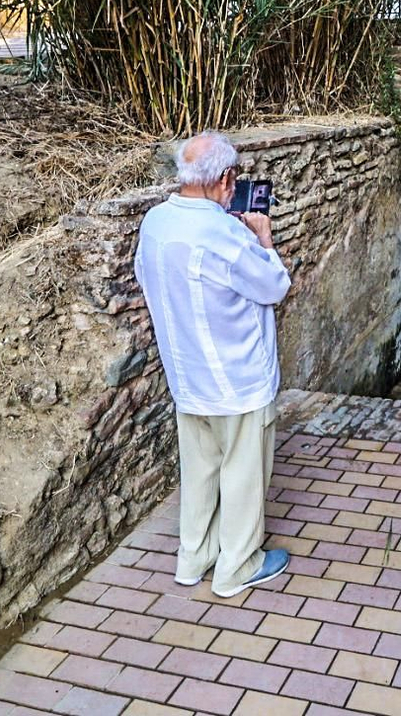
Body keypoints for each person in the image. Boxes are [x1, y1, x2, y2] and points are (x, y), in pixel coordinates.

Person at [133, 131, 292, 596]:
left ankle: (193, 558)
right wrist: (263, 239)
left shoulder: (155, 223)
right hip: (237, 379)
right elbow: (273, 286)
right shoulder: (223, 233)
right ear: (226, 178)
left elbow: (147, 277)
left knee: (199, 472)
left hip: (187, 378)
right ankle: (236, 568)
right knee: (242, 474)